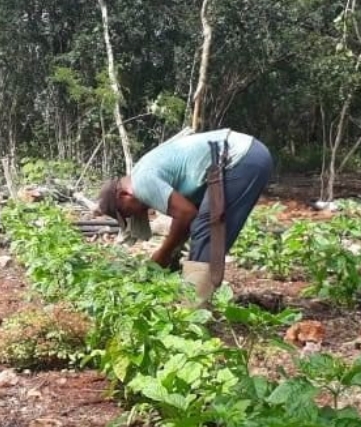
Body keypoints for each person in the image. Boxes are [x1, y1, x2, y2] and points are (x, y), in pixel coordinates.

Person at [96, 128, 273, 300]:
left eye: (126, 212)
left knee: (208, 229)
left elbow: (187, 214)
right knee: (201, 225)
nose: (133, 215)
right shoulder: (140, 172)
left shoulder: (141, 184)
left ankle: (193, 310)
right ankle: (193, 295)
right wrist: (171, 252)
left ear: (123, 195)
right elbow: (184, 213)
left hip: (241, 158)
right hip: (244, 154)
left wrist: (164, 253)